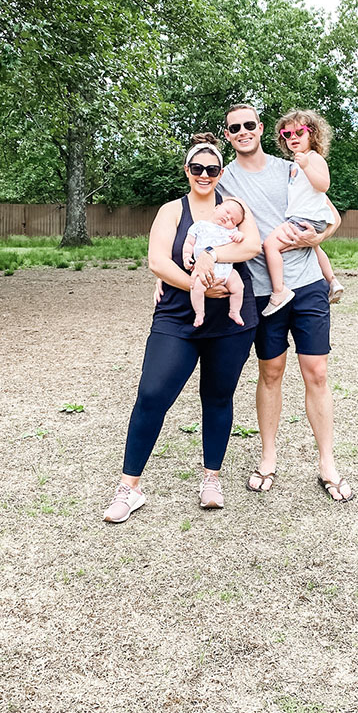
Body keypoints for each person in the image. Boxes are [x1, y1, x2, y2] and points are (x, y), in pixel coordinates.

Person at [103, 134, 261, 522]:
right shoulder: (173, 210)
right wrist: (199, 284)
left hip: (231, 320)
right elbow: (158, 261)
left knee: (218, 396)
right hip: (177, 316)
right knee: (152, 393)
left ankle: (211, 479)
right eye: (197, 168)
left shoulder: (236, 209)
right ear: (187, 171)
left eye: (211, 169)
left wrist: (210, 256)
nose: (204, 175)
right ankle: (129, 488)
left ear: (221, 173)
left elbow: (251, 247)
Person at [216, 103, 354, 503]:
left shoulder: (291, 166)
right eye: (234, 128)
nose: (242, 131)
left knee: (316, 373)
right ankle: (268, 458)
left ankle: (327, 463)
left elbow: (331, 215)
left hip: (308, 285)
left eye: (248, 125)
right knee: (271, 372)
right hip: (262, 289)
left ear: (260, 128)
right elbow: (201, 220)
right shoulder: (224, 180)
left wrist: (318, 239)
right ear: (228, 135)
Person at [261, 109, 342, 316]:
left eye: (299, 132)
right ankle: (332, 281)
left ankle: (279, 291)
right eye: (287, 135)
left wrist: (306, 166)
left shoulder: (313, 159)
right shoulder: (296, 164)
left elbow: (323, 185)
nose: (293, 138)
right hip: (307, 218)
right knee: (315, 249)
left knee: (270, 245)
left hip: (305, 219)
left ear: (312, 133)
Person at [183, 198, 247, 327]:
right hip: (203, 269)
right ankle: (199, 313)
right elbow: (189, 243)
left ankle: (234, 311)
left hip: (226, 269)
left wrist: (240, 236)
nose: (228, 218)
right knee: (196, 288)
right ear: (217, 207)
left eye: (232, 220)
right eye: (227, 211)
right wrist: (186, 256)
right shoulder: (200, 226)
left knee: (239, 287)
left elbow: (241, 243)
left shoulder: (232, 232)